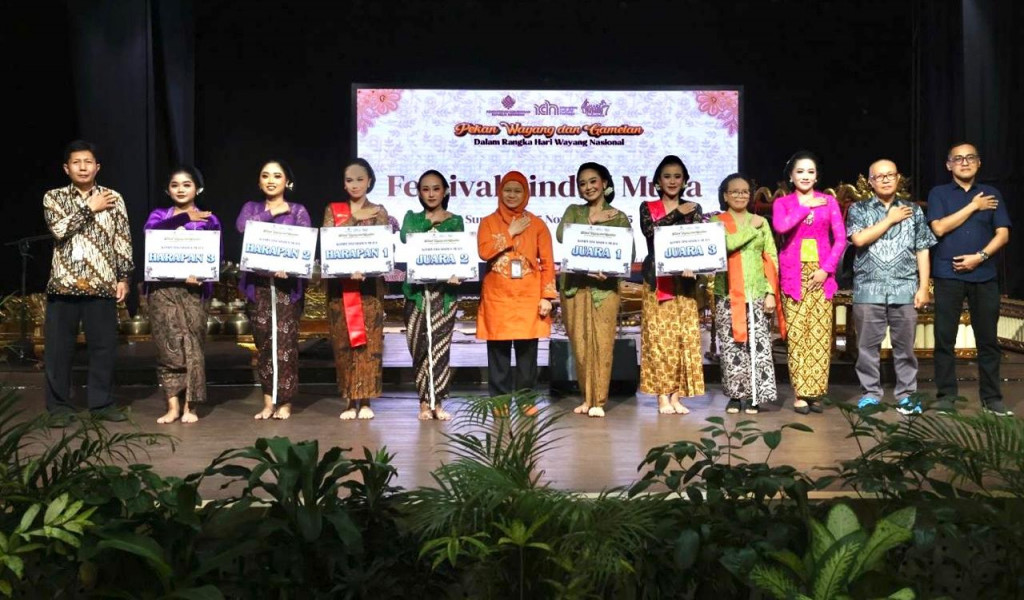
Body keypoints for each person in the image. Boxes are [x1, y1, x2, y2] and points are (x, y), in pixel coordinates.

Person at [43, 140, 133, 425]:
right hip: (64, 285)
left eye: (88, 162)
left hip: (102, 284)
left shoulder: (113, 198)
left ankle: (101, 404)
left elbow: (122, 240)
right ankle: (58, 408)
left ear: (97, 167)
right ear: (66, 168)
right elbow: (59, 230)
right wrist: (89, 207)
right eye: (76, 162)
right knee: (59, 350)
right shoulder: (54, 197)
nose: (83, 167)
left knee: (103, 348)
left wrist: (124, 277)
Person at [927, 143, 1012, 416]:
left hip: (984, 275)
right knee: (944, 339)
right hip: (947, 274)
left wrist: (980, 257)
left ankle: (992, 398)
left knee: (988, 340)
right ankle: (946, 397)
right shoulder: (939, 193)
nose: (964, 162)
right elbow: (939, 228)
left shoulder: (992, 193)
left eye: (970, 158)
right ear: (948, 165)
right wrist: (974, 206)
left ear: (979, 163)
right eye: (958, 158)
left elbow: (1003, 234)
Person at [846, 159, 936, 414]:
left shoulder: (913, 210)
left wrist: (924, 287)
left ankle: (907, 395)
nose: (885, 179)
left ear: (898, 178)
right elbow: (859, 239)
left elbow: (922, 249)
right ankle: (870, 394)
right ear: (870, 182)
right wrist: (890, 219)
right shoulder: (859, 209)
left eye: (890, 175)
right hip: (868, 288)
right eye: (880, 176)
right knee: (867, 348)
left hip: (905, 288)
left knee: (905, 349)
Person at [145, 166, 222, 424]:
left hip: (194, 291)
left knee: (192, 346)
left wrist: (200, 273)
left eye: (186, 184)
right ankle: (172, 406)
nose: (180, 189)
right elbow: (152, 236)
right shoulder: (158, 216)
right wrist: (185, 217)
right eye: (175, 185)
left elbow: (215, 255)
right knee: (167, 347)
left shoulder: (209, 219)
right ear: (167, 190)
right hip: (162, 290)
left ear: (197, 189)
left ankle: (191, 406)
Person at [236, 160, 311, 420]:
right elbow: (243, 227)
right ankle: (268, 402)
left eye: (277, 176)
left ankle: (285, 402)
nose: (271, 180)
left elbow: (303, 246)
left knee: (286, 346)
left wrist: (289, 267)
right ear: (259, 182)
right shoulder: (251, 208)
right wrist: (274, 212)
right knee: (264, 345)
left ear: (287, 182)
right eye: (265, 175)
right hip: (258, 288)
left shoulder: (298, 211)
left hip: (285, 289)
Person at [555, 162, 632, 418]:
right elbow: (562, 236)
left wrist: (609, 270)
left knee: (602, 343)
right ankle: (586, 398)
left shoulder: (619, 216)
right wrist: (591, 221)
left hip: (604, 289)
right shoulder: (574, 211)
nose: (588, 187)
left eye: (593, 181)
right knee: (580, 345)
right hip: (575, 287)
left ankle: (598, 399)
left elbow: (628, 252)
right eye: (582, 183)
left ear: (605, 183)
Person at [771, 151, 846, 414]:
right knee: (797, 335)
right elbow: (781, 227)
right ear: (791, 176)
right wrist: (806, 207)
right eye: (800, 171)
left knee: (819, 335)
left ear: (817, 176)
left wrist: (826, 269)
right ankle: (800, 393)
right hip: (794, 275)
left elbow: (841, 238)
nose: (805, 176)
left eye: (810, 172)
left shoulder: (829, 201)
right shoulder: (783, 203)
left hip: (821, 275)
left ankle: (815, 392)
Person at [476, 171, 557, 403]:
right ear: (500, 192)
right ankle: (500, 403)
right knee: (498, 356)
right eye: (507, 190)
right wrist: (510, 232)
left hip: (528, 299)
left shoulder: (537, 224)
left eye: (517, 191)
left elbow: (548, 263)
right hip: (498, 299)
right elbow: (484, 252)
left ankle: (526, 402)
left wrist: (547, 297)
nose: (512, 195)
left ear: (526, 194)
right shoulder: (488, 222)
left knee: (527, 357)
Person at [710, 173, 784, 415]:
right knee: (732, 347)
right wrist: (751, 230)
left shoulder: (761, 222)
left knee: (759, 347)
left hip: (757, 293)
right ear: (725, 195)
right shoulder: (717, 222)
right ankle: (735, 396)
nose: (740, 195)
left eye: (744, 192)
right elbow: (726, 245)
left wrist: (771, 292)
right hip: (728, 294)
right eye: (735, 191)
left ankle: (755, 395)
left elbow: (771, 257)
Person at [639, 155, 705, 415]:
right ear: (658, 181)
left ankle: (676, 395)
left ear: (685, 180)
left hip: (684, 283)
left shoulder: (694, 208)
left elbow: (697, 242)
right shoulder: (648, 207)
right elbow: (651, 232)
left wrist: (695, 266)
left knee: (681, 338)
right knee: (658, 339)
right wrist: (678, 213)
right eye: (667, 176)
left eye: (678, 176)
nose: (672, 181)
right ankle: (661, 397)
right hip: (656, 282)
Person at [327, 158, 390, 420]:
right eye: (349, 180)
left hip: (369, 290)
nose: (354, 185)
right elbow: (330, 243)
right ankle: (349, 400)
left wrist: (366, 268)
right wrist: (353, 219)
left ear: (370, 181)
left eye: (360, 179)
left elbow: (383, 248)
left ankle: (366, 400)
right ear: (344, 183)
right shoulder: (333, 210)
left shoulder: (378, 211)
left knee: (369, 345)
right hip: (340, 290)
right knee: (343, 344)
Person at [400, 170, 464, 421]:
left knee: (439, 349)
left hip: (444, 294)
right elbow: (406, 235)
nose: (431, 194)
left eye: (436, 188)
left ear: (445, 191)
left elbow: (459, 253)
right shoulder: (412, 218)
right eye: (425, 189)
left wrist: (458, 273)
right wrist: (432, 222)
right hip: (416, 295)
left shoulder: (455, 221)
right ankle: (423, 402)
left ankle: (438, 402)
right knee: (419, 348)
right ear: (419, 192)